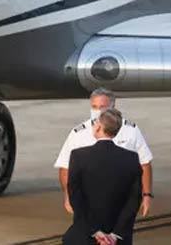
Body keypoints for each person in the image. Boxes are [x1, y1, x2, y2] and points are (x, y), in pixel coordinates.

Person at [55, 88, 154, 217]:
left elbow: (144, 163)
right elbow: (65, 168)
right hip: (88, 198)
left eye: (102, 107)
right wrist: (68, 196)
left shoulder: (130, 130)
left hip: (122, 197)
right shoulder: (78, 133)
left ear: (113, 107)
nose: (97, 111)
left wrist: (146, 195)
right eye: (94, 107)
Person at [63, 108, 142, 245]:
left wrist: (95, 231)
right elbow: (134, 199)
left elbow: (75, 196)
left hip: (85, 236)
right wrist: (115, 234)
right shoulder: (131, 158)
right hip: (118, 238)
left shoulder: (79, 156)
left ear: (99, 127)